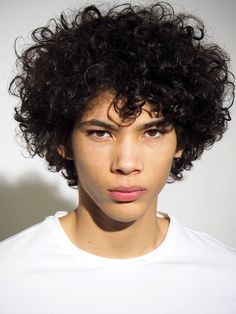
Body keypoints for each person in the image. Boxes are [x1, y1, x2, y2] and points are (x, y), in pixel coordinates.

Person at [0, 2, 235, 313]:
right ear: (63, 142)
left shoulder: (226, 277)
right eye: (100, 133)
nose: (126, 164)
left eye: (152, 132)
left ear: (182, 140)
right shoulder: (9, 277)